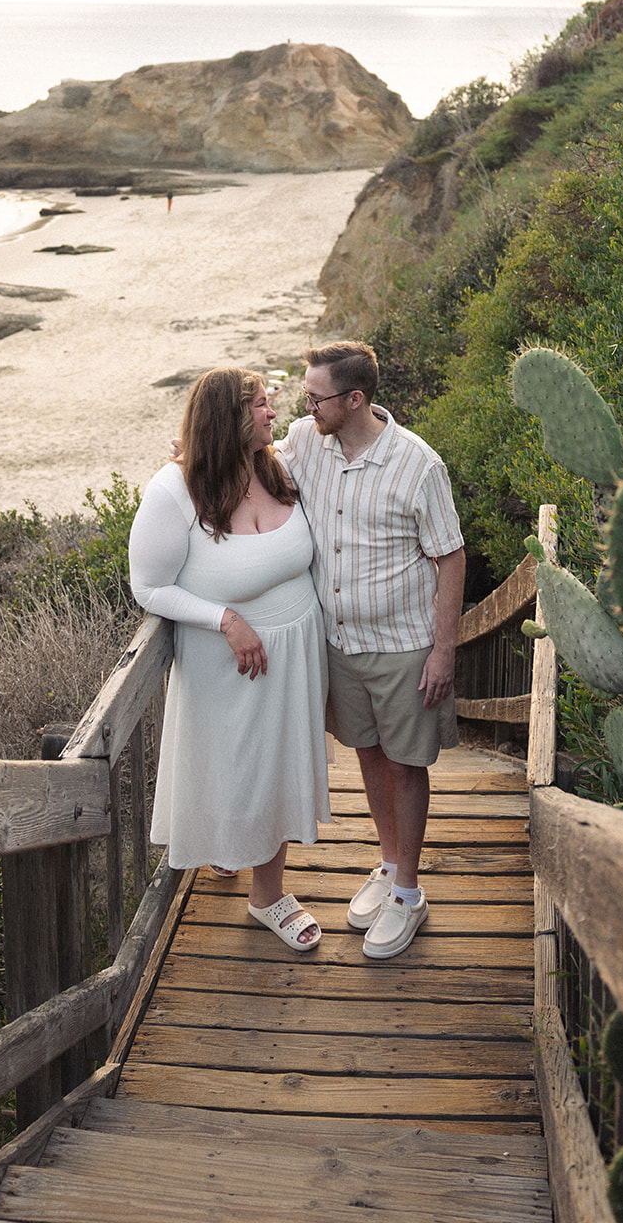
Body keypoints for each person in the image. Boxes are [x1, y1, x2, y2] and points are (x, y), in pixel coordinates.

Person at [129, 367, 330, 951]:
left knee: (274, 767)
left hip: (294, 652)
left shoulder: (279, 465)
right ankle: (233, 855)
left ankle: (267, 894)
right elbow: (148, 586)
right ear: (229, 419)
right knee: (235, 767)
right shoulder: (173, 492)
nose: (274, 413)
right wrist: (226, 620)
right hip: (229, 658)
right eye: (262, 405)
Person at [278, 340, 465, 960]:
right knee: (367, 752)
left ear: (355, 399)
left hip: (403, 646)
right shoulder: (308, 442)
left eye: (316, 397)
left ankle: (409, 894)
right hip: (340, 643)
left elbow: (450, 556)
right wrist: (184, 460)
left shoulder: (418, 465)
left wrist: (444, 652)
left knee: (407, 764)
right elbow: (254, 468)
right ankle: (389, 864)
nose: (306, 408)